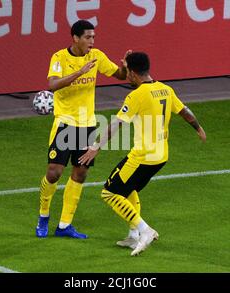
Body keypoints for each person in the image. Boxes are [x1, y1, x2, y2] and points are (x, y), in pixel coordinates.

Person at [78, 52, 206, 255]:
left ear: (134, 73)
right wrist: (199, 128)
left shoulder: (137, 95)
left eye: (127, 71)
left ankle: (144, 230)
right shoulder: (165, 89)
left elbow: (116, 124)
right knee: (129, 189)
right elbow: (184, 111)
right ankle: (133, 236)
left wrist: (95, 147)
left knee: (109, 193)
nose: (125, 75)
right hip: (161, 156)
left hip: (142, 157)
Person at [35, 20, 130, 239]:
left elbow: (121, 76)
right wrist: (79, 72)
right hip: (65, 122)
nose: (92, 41)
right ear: (75, 38)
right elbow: (53, 85)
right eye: (88, 37)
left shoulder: (97, 56)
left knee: (80, 173)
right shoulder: (59, 57)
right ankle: (43, 215)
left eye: (94, 37)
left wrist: (124, 66)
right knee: (54, 172)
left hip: (87, 124)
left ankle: (64, 225)